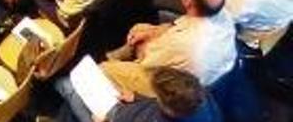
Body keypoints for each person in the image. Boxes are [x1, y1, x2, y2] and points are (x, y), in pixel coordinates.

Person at [100, 0, 236, 97]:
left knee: (105, 70)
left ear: (189, 1)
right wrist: (151, 33)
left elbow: (147, 62)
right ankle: (113, 57)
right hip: (208, 75)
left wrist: (147, 44)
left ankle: (112, 72)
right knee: (140, 29)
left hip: (173, 87)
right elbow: (176, 26)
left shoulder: (183, 43)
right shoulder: (220, 14)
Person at [55, 66, 222, 122]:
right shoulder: (201, 98)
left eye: (158, 96)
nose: (155, 97)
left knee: (66, 85)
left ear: (170, 109)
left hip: (110, 117)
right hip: (127, 108)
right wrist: (137, 97)